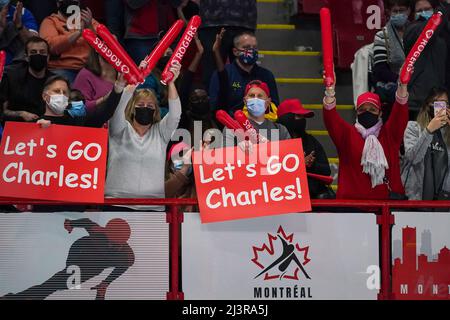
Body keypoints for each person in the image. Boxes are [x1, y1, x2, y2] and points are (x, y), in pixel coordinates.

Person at [104, 61, 182, 212]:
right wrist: (135, 80)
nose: (145, 108)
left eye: (150, 106)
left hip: (152, 206)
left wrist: (171, 82)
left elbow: (175, 114)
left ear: (155, 111)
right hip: (117, 204)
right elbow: (118, 109)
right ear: (133, 109)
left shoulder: (161, 133)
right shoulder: (120, 129)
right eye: (141, 105)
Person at [323, 69, 409, 200]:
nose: (367, 113)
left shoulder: (389, 134)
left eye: (372, 109)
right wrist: (330, 91)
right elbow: (331, 118)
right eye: (362, 110)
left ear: (380, 113)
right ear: (357, 113)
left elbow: (400, 113)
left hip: (387, 207)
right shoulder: (347, 134)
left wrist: (403, 85)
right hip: (353, 208)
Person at [2, 218, 135, 300]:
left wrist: (106, 282)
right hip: (79, 255)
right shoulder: (98, 232)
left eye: (117, 244)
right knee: (53, 284)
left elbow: (123, 267)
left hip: (89, 269)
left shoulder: (125, 256)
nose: (114, 245)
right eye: (111, 241)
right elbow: (87, 222)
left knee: (54, 285)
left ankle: (16, 297)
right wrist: (70, 223)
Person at [210, 31, 280, 115]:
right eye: (246, 47)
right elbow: (214, 106)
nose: (251, 50)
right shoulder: (224, 74)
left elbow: (274, 106)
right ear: (235, 51)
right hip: (229, 124)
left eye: (254, 47)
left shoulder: (266, 75)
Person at [276, 99, 334, 199]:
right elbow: (267, 170)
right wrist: (299, 164)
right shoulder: (272, 140)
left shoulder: (311, 141)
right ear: (287, 118)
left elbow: (326, 170)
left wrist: (311, 165)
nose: (302, 120)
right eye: (298, 116)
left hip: (310, 196)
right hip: (280, 196)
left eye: (303, 117)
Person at [402, 87, 450, 200]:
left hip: (444, 199)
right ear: (427, 105)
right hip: (417, 197)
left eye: (445, 104)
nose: (441, 108)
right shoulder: (413, 127)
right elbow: (412, 158)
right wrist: (428, 131)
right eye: (437, 103)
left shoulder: (448, 134)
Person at [404, 0, 446, 119]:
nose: (423, 13)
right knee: (419, 136)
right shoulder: (412, 30)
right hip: (417, 102)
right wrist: (444, 6)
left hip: (440, 98)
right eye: (419, 10)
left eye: (427, 9)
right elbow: (430, 30)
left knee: (441, 135)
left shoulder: (443, 31)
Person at [198, 0, 257, 87]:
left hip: (242, 19)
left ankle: (247, 98)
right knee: (211, 74)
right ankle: (212, 99)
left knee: (245, 72)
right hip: (212, 20)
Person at [39, 0, 99, 83]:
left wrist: (90, 28)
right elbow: (51, 47)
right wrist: (78, 33)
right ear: (58, 3)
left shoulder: (88, 21)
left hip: (88, 68)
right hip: (62, 68)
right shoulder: (50, 21)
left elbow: (102, 44)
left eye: (74, 1)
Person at [38, 73, 124, 127]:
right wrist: (37, 129)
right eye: (56, 91)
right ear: (45, 96)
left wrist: (119, 86)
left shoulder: (79, 122)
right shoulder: (33, 125)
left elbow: (106, 112)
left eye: (64, 92)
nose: (61, 95)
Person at [1, 36, 54, 123]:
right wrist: (21, 114)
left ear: (48, 57)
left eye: (42, 52)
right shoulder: (11, 77)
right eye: (33, 52)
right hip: (15, 127)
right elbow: (3, 111)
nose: (38, 55)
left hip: (45, 127)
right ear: (26, 57)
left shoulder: (54, 82)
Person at [372, 0, 410, 119]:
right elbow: (380, 70)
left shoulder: (417, 31)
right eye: (395, 11)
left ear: (409, 10)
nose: (398, 14)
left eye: (402, 10)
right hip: (394, 86)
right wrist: (403, 81)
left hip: (416, 84)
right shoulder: (382, 35)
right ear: (389, 13)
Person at [224, 80, 290, 147]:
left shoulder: (280, 130)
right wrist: (238, 150)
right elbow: (225, 155)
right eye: (252, 95)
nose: (255, 99)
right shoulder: (231, 127)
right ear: (245, 101)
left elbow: (290, 154)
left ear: (268, 102)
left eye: (260, 96)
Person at [122, 0, 177, 64]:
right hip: (140, 36)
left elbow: (176, 3)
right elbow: (133, 3)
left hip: (167, 35)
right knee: (145, 71)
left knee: (170, 70)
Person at [72, 50, 116, 116]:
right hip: (95, 123)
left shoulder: (125, 74)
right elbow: (76, 108)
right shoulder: (85, 74)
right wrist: (104, 99)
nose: (113, 48)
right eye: (109, 43)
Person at [0, 0, 38, 65]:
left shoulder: (22, 12)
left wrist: (19, 25)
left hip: (17, 66)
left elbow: (34, 44)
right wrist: (1, 27)